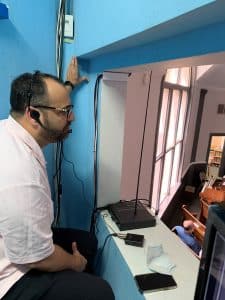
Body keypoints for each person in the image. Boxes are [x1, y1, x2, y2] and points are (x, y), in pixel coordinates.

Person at [0, 57, 115, 300]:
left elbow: (52, 103)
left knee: (88, 242)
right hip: (9, 277)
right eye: (65, 111)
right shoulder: (19, 172)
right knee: (100, 293)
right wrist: (74, 262)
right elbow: (36, 257)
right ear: (33, 114)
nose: (71, 117)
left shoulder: (12, 131)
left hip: (19, 244)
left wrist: (68, 85)